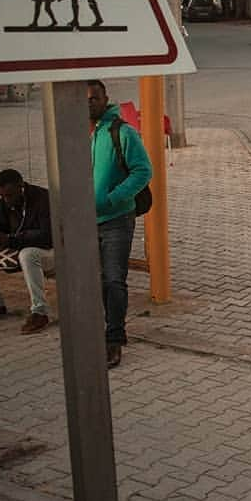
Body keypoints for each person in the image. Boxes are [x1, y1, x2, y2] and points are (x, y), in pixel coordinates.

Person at [88, 80, 152, 368]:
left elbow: (143, 171)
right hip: (85, 220)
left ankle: (114, 339)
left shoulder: (121, 132)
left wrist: (113, 198)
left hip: (116, 219)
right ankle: (97, 332)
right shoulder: (76, 134)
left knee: (114, 280)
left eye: (94, 98)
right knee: (96, 282)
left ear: (105, 99)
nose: (89, 103)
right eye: (84, 99)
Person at [0, 169, 54, 334]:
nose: (6, 201)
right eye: (3, 196)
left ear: (21, 187)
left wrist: (11, 240)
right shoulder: (5, 202)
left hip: (50, 251)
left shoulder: (43, 198)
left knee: (28, 254)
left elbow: (47, 235)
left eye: (10, 196)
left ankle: (40, 312)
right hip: (18, 246)